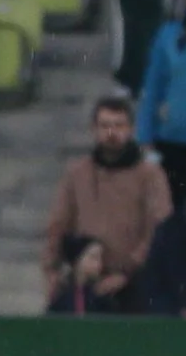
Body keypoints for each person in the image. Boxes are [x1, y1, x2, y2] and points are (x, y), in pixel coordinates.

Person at [45, 95, 172, 313]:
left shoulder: (150, 175)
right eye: (105, 126)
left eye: (119, 125)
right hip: (86, 283)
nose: (111, 133)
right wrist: (51, 267)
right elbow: (58, 223)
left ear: (131, 129)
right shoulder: (78, 173)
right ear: (94, 129)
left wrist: (126, 272)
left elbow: (159, 226)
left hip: (135, 284)